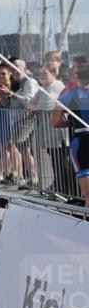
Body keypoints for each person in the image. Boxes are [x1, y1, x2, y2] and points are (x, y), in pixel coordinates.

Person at [52, 62, 89, 205]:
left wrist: (71, 123)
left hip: (81, 142)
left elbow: (55, 122)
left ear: (75, 77)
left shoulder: (68, 95)